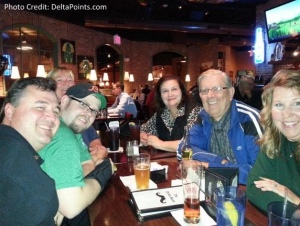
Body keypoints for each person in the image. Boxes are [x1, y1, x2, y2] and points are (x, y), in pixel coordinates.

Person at [39, 83, 113, 225]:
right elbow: (71, 207)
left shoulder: (72, 131)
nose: (88, 113)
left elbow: (87, 163)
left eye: (93, 110)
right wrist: (103, 172)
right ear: (65, 101)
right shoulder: (62, 135)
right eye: (83, 104)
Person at [178, 69, 263, 185]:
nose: (210, 95)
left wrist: (209, 165)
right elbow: (183, 149)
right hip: (214, 189)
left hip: (246, 194)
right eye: (204, 91)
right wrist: (219, 161)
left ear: (231, 92)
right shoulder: (202, 117)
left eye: (217, 89)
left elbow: (259, 173)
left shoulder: (249, 119)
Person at [0, 77, 60, 225]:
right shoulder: (16, 162)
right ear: (9, 111)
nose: (52, 117)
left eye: (56, 111)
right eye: (40, 107)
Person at [247, 70, 300, 213]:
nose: (287, 114)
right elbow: (253, 188)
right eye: (279, 105)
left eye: (296, 103)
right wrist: (293, 212)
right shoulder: (275, 142)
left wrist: (295, 200)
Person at [47, 67, 107, 161]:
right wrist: (95, 158)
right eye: (59, 80)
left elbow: (93, 137)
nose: (66, 83)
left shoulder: (80, 117)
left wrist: (96, 150)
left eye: (70, 80)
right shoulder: (48, 120)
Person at [140, 75, 202, 152]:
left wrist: (161, 144)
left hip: (191, 162)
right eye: (165, 91)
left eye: (174, 89)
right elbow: (145, 129)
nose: (170, 94)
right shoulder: (161, 113)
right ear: (160, 95)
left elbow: (192, 143)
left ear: (181, 91)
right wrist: (144, 136)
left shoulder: (195, 111)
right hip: (166, 162)